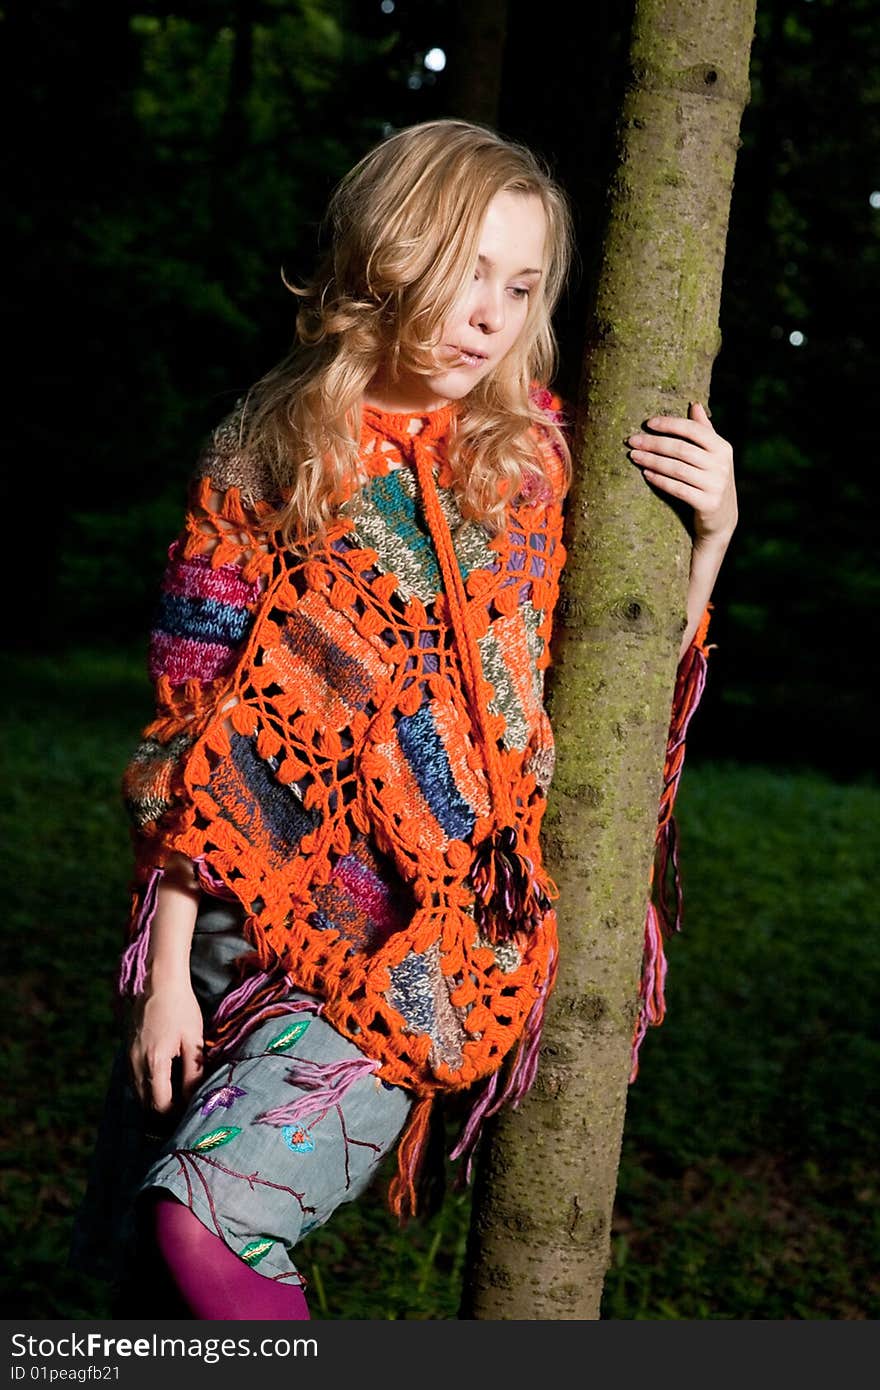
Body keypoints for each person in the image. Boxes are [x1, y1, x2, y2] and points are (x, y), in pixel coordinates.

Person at [72, 118, 737, 1321]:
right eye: (465, 269)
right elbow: (192, 730)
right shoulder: (262, 454)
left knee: (204, 1228)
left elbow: (609, 691)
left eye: (519, 285)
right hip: (233, 927)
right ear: (387, 255)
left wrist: (711, 538)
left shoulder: (535, 462)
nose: (488, 313)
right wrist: (166, 973)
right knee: (142, 1298)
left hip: (426, 942)